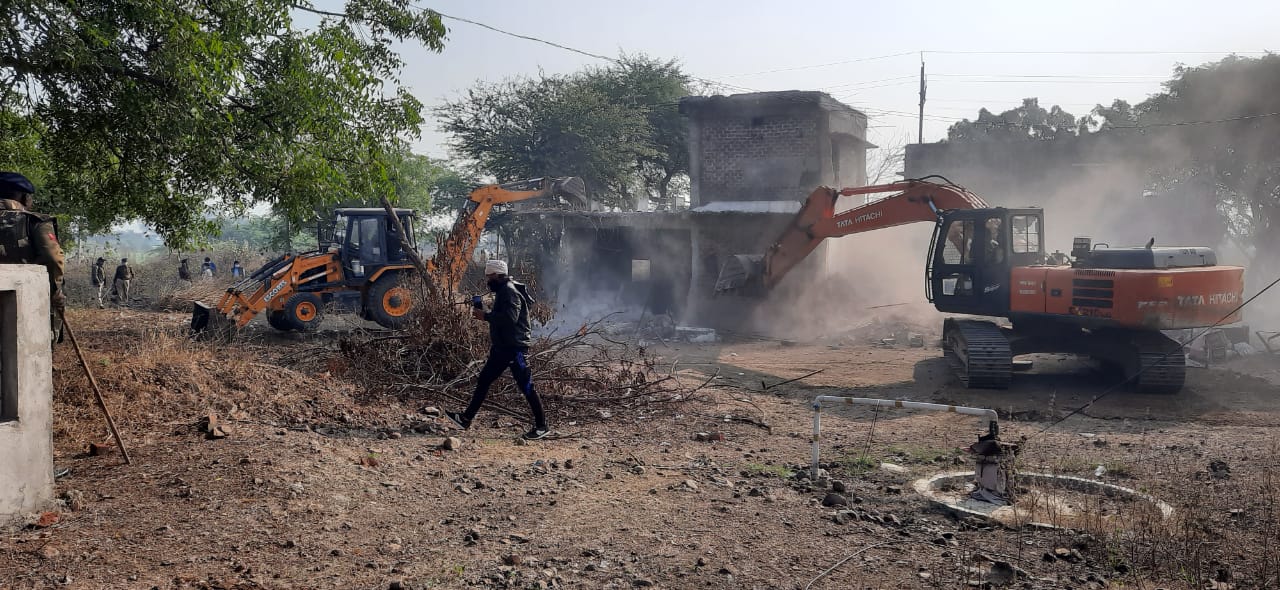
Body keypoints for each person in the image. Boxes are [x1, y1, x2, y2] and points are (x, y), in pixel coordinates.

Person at [446, 259, 550, 440]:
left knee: (526, 386)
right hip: (502, 348)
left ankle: (542, 426)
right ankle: (465, 418)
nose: (488, 280)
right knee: (484, 380)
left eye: (489, 277)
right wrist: (484, 312)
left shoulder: (509, 292)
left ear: (497, 275)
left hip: (514, 348)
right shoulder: (504, 290)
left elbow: (510, 319)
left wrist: (485, 316)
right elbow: (502, 316)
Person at [0, 172, 65, 330]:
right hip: (25, 301)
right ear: (23, 197)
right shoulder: (35, 222)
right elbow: (53, 258)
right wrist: (55, 292)